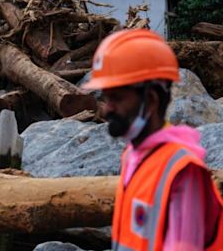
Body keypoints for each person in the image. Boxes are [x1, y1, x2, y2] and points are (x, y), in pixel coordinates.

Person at [82, 28, 223, 251]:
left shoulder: (183, 173)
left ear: (151, 99)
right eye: (106, 98)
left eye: (116, 98)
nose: (107, 109)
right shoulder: (133, 155)